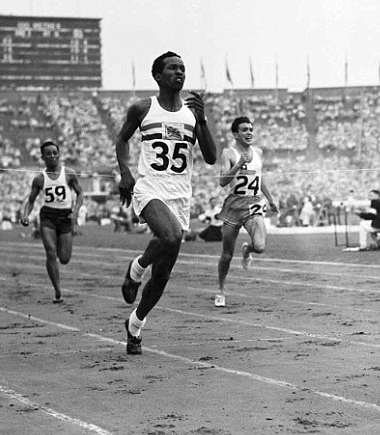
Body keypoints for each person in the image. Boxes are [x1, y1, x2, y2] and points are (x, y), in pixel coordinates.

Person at [116, 51, 218, 354]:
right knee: (172, 235)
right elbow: (122, 140)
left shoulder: (190, 114)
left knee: (162, 276)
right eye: (173, 68)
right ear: (158, 76)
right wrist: (125, 172)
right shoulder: (142, 108)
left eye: (183, 69)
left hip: (180, 195)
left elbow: (211, 157)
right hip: (150, 188)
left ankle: (135, 325)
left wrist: (203, 119)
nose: (180, 73)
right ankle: (136, 268)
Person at [214, 117, 279, 307]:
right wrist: (239, 163)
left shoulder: (258, 152)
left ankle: (247, 249)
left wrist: (271, 199)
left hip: (253, 203)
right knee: (226, 254)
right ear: (235, 134)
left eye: (251, 129)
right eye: (244, 130)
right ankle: (220, 290)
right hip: (234, 205)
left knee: (260, 246)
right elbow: (222, 181)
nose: (249, 132)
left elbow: (260, 178)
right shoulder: (228, 152)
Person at [20, 141, 83, 304]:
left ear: (59, 154)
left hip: (65, 216)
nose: (52, 156)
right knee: (50, 251)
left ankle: (57, 284)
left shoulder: (69, 173)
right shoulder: (40, 179)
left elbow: (80, 194)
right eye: (48, 153)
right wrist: (26, 214)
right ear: (42, 157)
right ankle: (57, 290)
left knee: (64, 258)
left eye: (54, 153)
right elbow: (31, 200)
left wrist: (75, 211)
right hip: (48, 216)